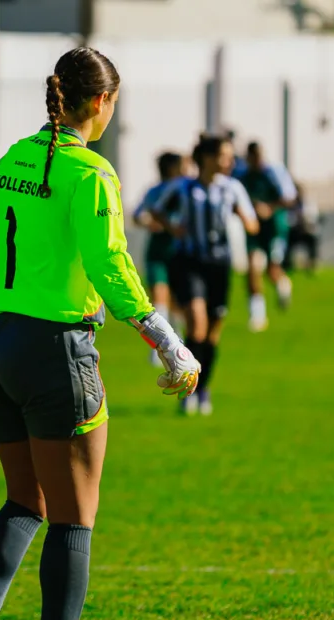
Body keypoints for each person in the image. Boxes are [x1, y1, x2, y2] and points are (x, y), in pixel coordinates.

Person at [0, 47, 201, 620]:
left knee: (24, 499)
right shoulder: (90, 172)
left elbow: (5, 258)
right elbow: (111, 264)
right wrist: (169, 343)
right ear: (102, 103)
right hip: (53, 347)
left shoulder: (9, 161)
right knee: (73, 515)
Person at [151, 134, 258, 416]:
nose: (230, 161)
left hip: (220, 266)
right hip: (189, 262)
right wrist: (173, 229)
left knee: (213, 332)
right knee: (197, 324)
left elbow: (252, 223)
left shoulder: (232, 188)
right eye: (225, 155)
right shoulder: (184, 187)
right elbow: (156, 210)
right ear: (208, 159)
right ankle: (188, 390)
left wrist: (247, 219)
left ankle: (204, 386)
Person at [237, 141, 296, 332]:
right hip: (254, 228)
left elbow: (290, 197)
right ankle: (258, 316)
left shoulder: (274, 172)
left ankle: (283, 283)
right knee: (253, 267)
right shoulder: (243, 176)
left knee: (272, 269)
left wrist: (270, 208)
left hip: (275, 227)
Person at [132, 151, 184, 366]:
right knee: (159, 297)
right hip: (160, 248)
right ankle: (159, 347)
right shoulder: (159, 191)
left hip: (177, 249)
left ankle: (175, 342)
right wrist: (150, 224)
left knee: (176, 302)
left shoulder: (181, 189)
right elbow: (138, 215)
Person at [285, 181, 321, 274]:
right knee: (286, 242)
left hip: (306, 231)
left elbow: (312, 218)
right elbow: (288, 219)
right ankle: (287, 264)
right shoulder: (288, 205)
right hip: (293, 232)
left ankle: (311, 265)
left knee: (313, 240)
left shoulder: (308, 203)